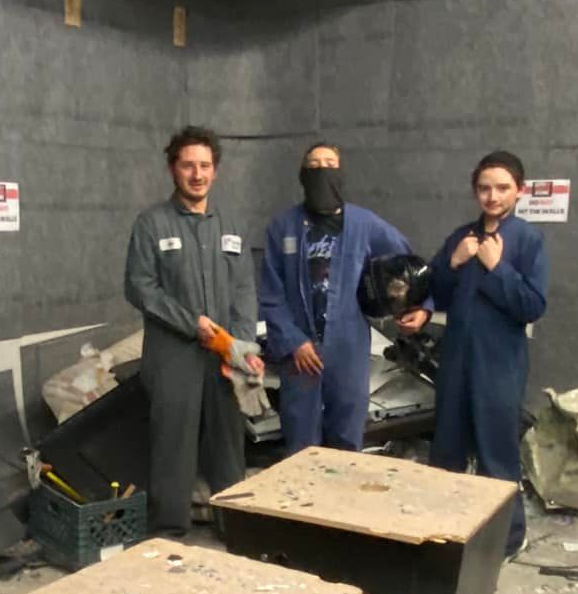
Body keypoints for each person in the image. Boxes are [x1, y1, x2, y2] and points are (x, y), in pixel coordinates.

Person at [124, 126, 263, 537]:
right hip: (173, 356)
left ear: (215, 172)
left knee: (227, 442)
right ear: (173, 169)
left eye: (204, 165)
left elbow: (243, 290)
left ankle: (233, 526)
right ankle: (170, 529)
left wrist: (241, 347)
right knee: (173, 443)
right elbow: (139, 287)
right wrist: (192, 324)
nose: (197, 174)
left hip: (224, 354)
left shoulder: (232, 225)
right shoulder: (152, 224)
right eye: (188, 165)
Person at [259, 142, 429, 454]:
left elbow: (412, 267)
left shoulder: (365, 225)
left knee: (348, 439)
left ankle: (339, 502)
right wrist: (294, 342)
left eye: (329, 163)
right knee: (300, 444)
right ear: (302, 174)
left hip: (348, 349)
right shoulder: (282, 228)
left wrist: (421, 308)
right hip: (299, 356)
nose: (322, 170)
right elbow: (271, 295)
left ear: (342, 173)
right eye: (314, 165)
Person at [428, 149, 549, 553]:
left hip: (499, 365)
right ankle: (445, 535)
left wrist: (498, 268)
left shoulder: (528, 240)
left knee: (496, 454)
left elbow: (532, 305)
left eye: (502, 188)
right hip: (456, 361)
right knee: (447, 451)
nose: (492, 196)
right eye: (484, 188)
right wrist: (455, 262)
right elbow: (437, 294)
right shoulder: (461, 237)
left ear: (519, 191)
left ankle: (507, 540)